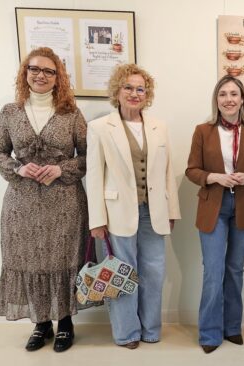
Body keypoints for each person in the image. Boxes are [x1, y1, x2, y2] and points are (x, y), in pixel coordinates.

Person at [0, 47, 88, 353]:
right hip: (23, 204)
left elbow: (89, 156)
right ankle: (41, 323)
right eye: (35, 69)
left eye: (49, 71)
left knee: (63, 260)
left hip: (65, 203)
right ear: (25, 73)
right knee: (30, 260)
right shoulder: (10, 112)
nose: (41, 75)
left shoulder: (71, 113)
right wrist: (19, 168)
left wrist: (61, 168)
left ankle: (66, 323)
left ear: (58, 77)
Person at [86, 64, 181, 349]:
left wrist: (172, 211)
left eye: (140, 89)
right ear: (117, 91)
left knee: (154, 272)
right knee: (123, 272)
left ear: (147, 94)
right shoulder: (100, 128)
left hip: (155, 212)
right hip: (116, 213)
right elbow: (94, 176)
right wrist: (96, 220)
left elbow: (167, 171)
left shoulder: (158, 127)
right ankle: (127, 333)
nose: (134, 93)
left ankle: (151, 329)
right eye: (128, 87)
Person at [185, 76, 244, 354]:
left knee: (235, 270)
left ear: (242, 99)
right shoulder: (203, 130)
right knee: (213, 271)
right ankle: (209, 333)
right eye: (223, 94)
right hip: (214, 207)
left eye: (234, 94)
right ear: (216, 100)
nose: (229, 99)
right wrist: (215, 177)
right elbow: (192, 170)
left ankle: (232, 327)